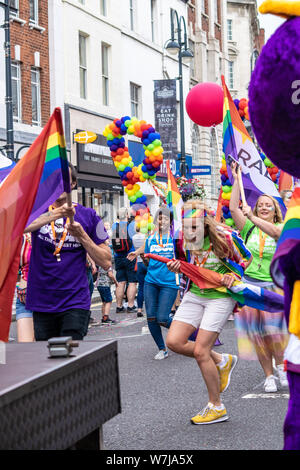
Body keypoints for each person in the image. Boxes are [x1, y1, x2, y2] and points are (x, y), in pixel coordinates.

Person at [166, 199, 252, 424]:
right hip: (195, 293)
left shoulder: (225, 237)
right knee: (174, 342)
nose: (188, 231)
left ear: (206, 224)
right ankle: (221, 360)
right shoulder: (182, 240)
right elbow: (184, 262)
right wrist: (176, 265)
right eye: (185, 226)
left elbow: (247, 258)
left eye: (193, 227)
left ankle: (216, 406)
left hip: (220, 296)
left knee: (200, 351)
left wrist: (235, 275)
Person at [24, 162, 111, 341]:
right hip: (42, 299)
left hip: (75, 299)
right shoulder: (37, 211)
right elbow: (18, 226)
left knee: (70, 354)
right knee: (46, 358)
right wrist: (57, 214)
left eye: (64, 181)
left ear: (73, 184)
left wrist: (82, 236)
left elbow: (106, 261)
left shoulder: (90, 215)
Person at [229, 162, 289, 393]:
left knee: (275, 332)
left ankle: (282, 366)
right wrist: (236, 180)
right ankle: (268, 376)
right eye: (260, 205)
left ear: (275, 210)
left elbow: (274, 232)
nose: (263, 208)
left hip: (275, 286)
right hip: (251, 285)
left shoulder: (282, 227)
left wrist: (253, 216)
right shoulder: (249, 229)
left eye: (268, 206)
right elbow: (234, 209)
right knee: (259, 334)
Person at [129, 206, 180, 360]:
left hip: (169, 282)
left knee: (163, 318)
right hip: (151, 281)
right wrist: (141, 256)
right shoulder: (151, 238)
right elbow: (147, 262)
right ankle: (162, 348)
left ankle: (186, 333)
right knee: (151, 317)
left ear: (170, 221)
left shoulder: (176, 239)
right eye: (160, 218)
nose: (162, 221)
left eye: (165, 218)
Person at [112, 207, 137, 313]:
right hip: (130, 256)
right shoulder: (131, 226)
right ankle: (130, 306)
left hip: (118, 257)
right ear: (127, 215)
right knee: (132, 282)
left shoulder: (114, 226)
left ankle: (119, 306)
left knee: (120, 282)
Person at [15, 234, 35, 342]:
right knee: (26, 348)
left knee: (46, 349)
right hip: (25, 299)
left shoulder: (56, 232)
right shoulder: (21, 235)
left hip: (51, 298)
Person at [96, 240, 118, 324]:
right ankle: (106, 317)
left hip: (99, 284)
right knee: (109, 300)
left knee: (104, 301)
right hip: (105, 284)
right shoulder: (107, 262)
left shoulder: (99, 260)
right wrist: (115, 282)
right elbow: (110, 274)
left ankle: (103, 317)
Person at [132, 226, 147, 318]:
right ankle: (150, 308)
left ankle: (139, 309)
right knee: (151, 286)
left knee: (141, 287)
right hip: (147, 262)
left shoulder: (133, 237)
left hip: (139, 263)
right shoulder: (146, 237)